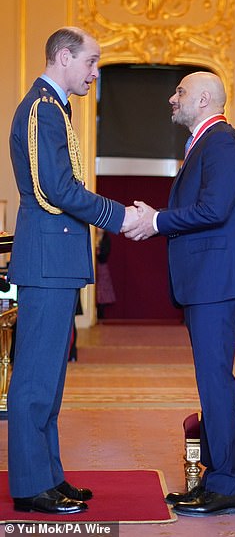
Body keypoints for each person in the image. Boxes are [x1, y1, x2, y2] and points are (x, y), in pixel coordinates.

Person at [7, 26, 137, 514]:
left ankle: (49, 475)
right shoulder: (42, 108)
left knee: (50, 380)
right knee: (35, 380)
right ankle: (29, 486)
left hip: (55, 259)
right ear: (64, 57)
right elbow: (57, 189)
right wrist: (119, 216)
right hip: (47, 259)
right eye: (91, 62)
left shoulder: (54, 108)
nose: (94, 72)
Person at [123, 71, 235, 517]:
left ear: (203, 99)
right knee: (211, 382)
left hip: (215, 282)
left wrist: (157, 221)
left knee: (216, 383)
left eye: (179, 92)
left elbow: (214, 210)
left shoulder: (221, 142)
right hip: (208, 280)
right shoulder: (207, 142)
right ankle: (216, 481)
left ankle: (226, 487)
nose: (171, 98)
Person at [95, 228, 116, 319]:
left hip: (102, 266)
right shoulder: (94, 237)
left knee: (103, 292)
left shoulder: (106, 239)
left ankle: (101, 315)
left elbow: (105, 253)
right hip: (95, 267)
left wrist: (99, 252)